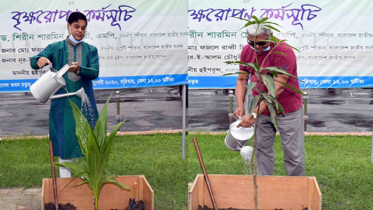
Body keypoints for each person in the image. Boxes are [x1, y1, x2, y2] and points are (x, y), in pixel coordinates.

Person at [30, 12, 99, 178]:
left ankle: (86, 185)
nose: (80, 31)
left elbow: (95, 72)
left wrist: (80, 69)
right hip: (63, 106)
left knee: (87, 146)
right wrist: (40, 59)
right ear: (68, 26)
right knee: (65, 145)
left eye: (83, 28)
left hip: (84, 103)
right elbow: (35, 60)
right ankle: (65, 187)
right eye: (76, 26)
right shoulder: (56, 47)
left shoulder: (91, 50)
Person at [234, 23, 304, 176]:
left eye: (261, 43)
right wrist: (241, 106)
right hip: (261, 110)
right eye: (251, 42)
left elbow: (277, 88)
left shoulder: (283, 52)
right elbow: (241, 80)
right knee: (262, 149)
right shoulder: (247, 51)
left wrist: (253, 114)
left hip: (287, 108)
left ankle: (297, 188)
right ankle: (264, 187)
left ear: (270, 36)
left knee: (293, 153)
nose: (256, 47)